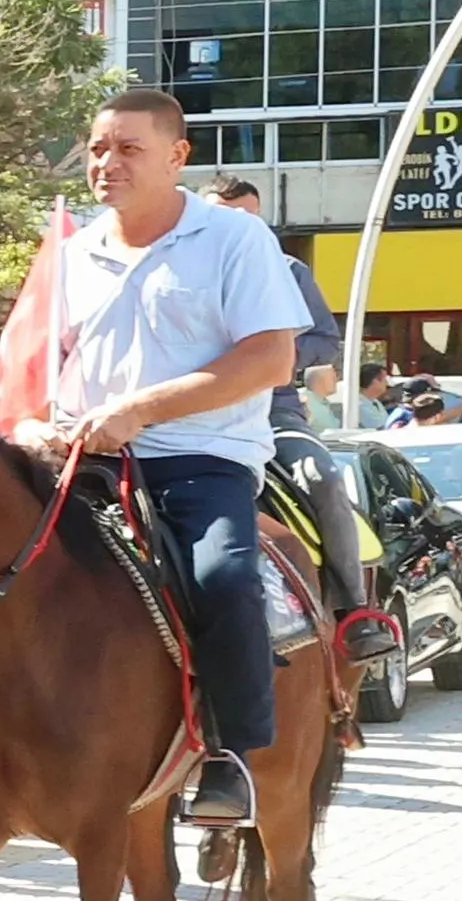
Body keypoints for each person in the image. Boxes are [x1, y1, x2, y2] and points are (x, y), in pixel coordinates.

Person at [39, 88, 321, 825]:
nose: (107, 163)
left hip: (200, 459)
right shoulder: (71, 253)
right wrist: (37, 425)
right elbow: (43, 366)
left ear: (177, 156)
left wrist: (142, 409)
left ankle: (231, 752)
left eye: (128, 148)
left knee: (224, 578)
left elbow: (269, 359)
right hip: (85, 461)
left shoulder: (233, 239)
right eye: (98, 148)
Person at [208, 176, 373, 650]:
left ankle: (354, 610)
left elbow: (326, 339)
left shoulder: (290, 271)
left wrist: (273, 352)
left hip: (272, 413)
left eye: (247, 217)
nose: (237, 227)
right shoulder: (178, 265)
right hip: (187, 419)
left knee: (322, 478)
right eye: (224, 215)